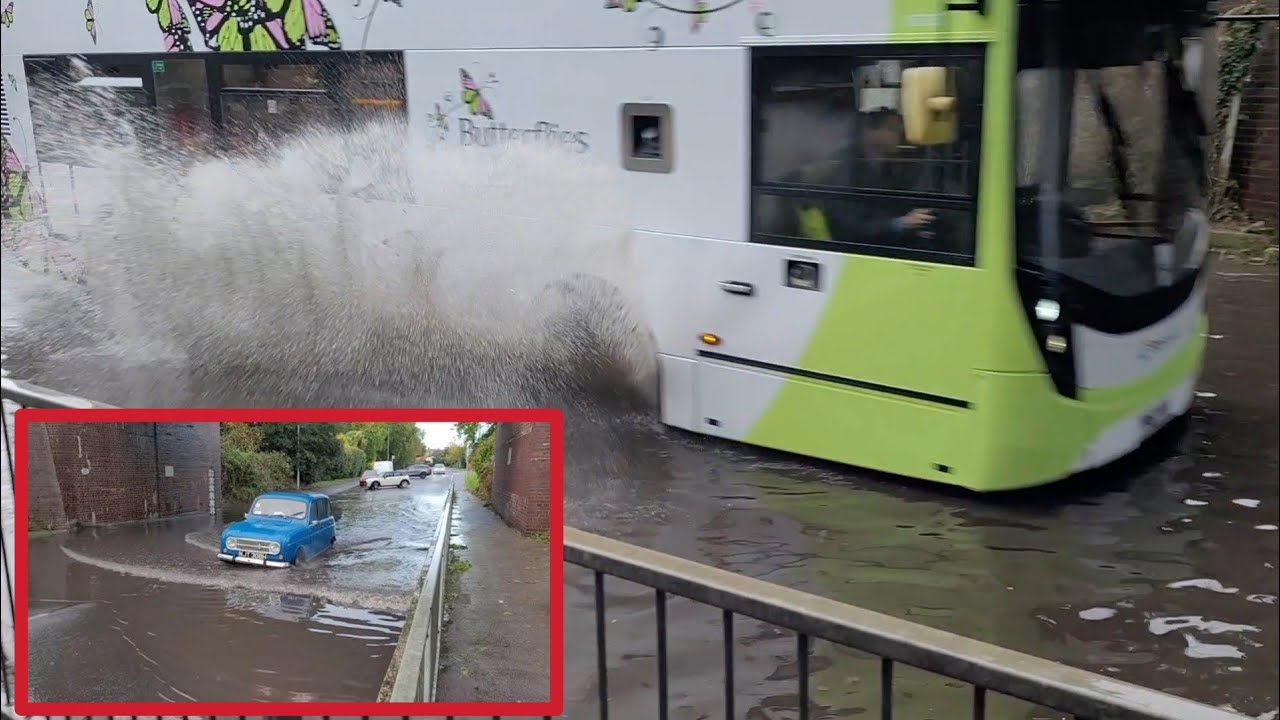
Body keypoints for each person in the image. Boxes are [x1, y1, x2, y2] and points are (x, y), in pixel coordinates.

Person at [785, 108, 937, 246]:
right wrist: (901, 223)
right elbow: (852, 227)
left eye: (900, 129)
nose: (900, 135)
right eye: (891, 129)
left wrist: (917, 225)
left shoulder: (889, 167)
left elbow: (894, 206)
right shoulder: (843, 169)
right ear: (870, 132)